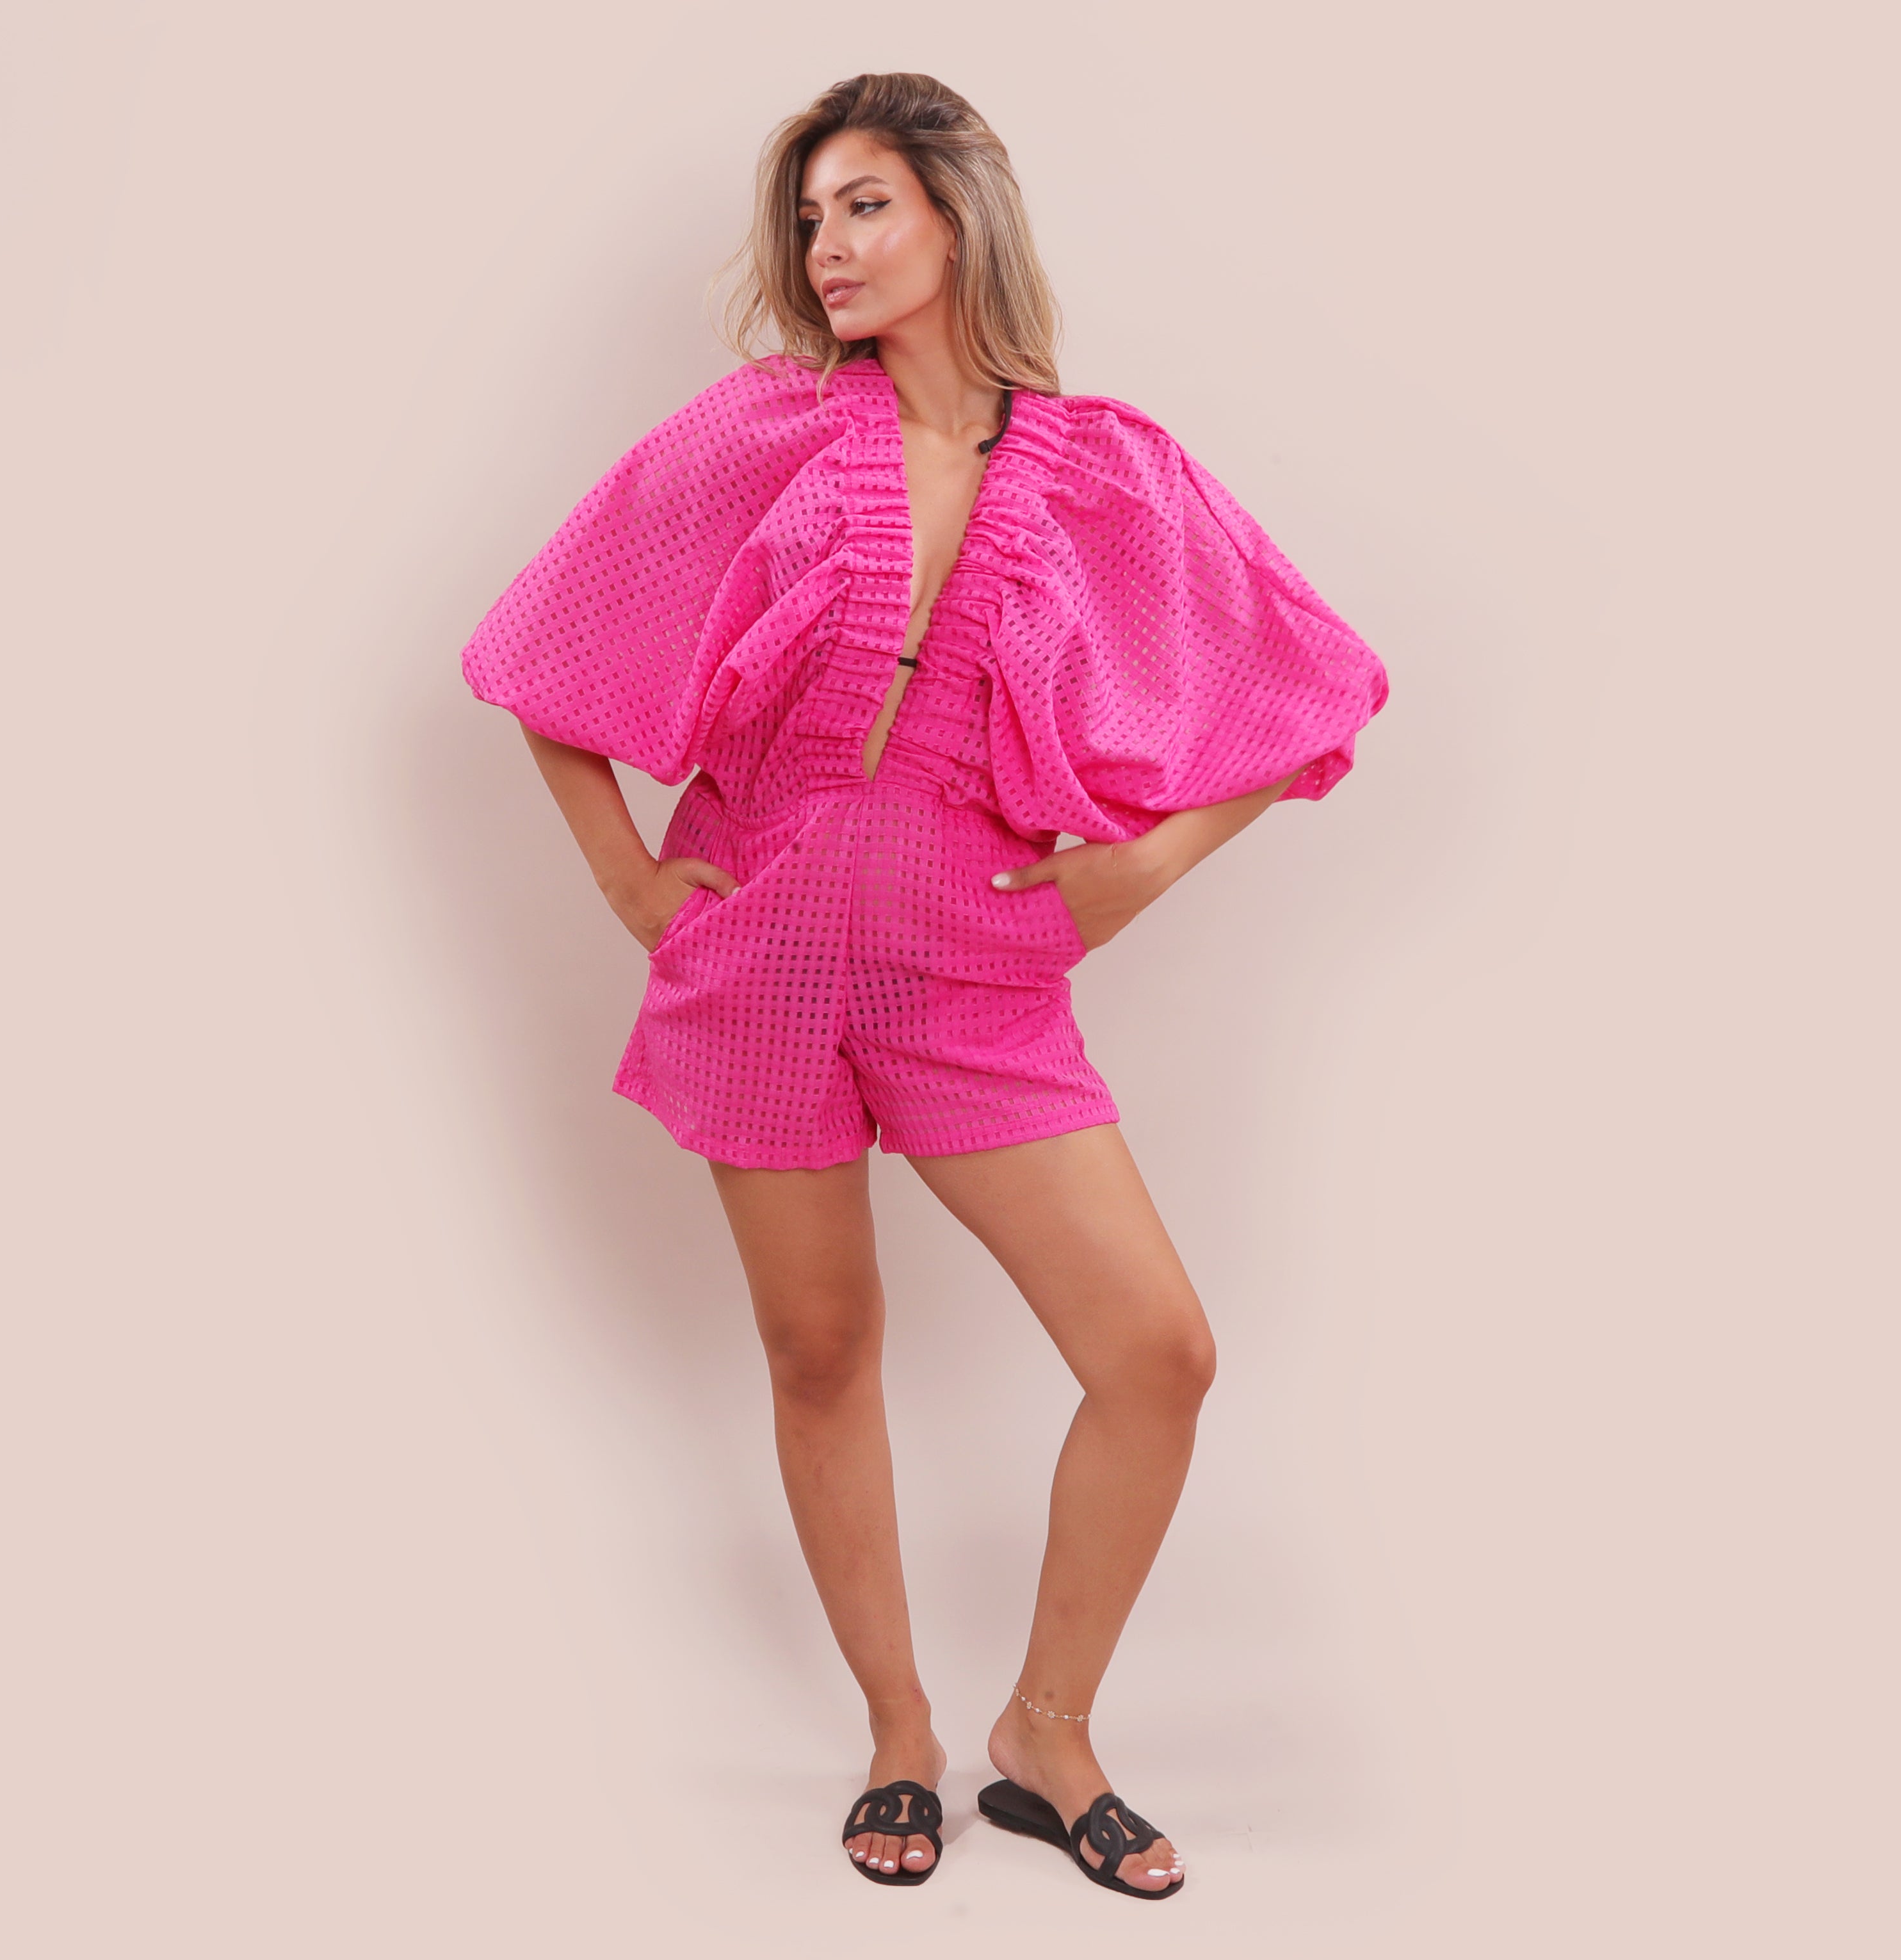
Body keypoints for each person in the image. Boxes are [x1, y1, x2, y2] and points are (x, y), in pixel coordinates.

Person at [459, 72, 1387, 1899]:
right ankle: (899, 1733)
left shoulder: (1107, 467)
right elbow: (540, 643)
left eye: (866, 204)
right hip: (761, 963)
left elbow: (1314, 684)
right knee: (822, 1352)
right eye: (810, 218)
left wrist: (1143, 864)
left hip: (977, 970)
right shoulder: (765, 432)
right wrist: (635, 883)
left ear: (963, 215)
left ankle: (1049, 1732)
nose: (828, 246)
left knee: (1159, 1353)